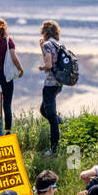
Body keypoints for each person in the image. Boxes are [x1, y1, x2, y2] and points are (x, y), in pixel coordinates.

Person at [0, 18, 24, 132]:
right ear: (4, 28)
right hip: (6, 75)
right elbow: (14, 57)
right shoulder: (8, 41)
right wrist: (20, 69)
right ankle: (7, 131)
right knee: (7, 104)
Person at [38, 20, 64, 155]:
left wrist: (42, 67)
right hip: (59, 83)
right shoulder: (57, 44)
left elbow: (48, 64)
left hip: (50, 84)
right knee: (44, 110)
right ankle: (62, 122)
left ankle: (53, 149)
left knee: (51, 116)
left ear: (45, 32)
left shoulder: (48, 44)